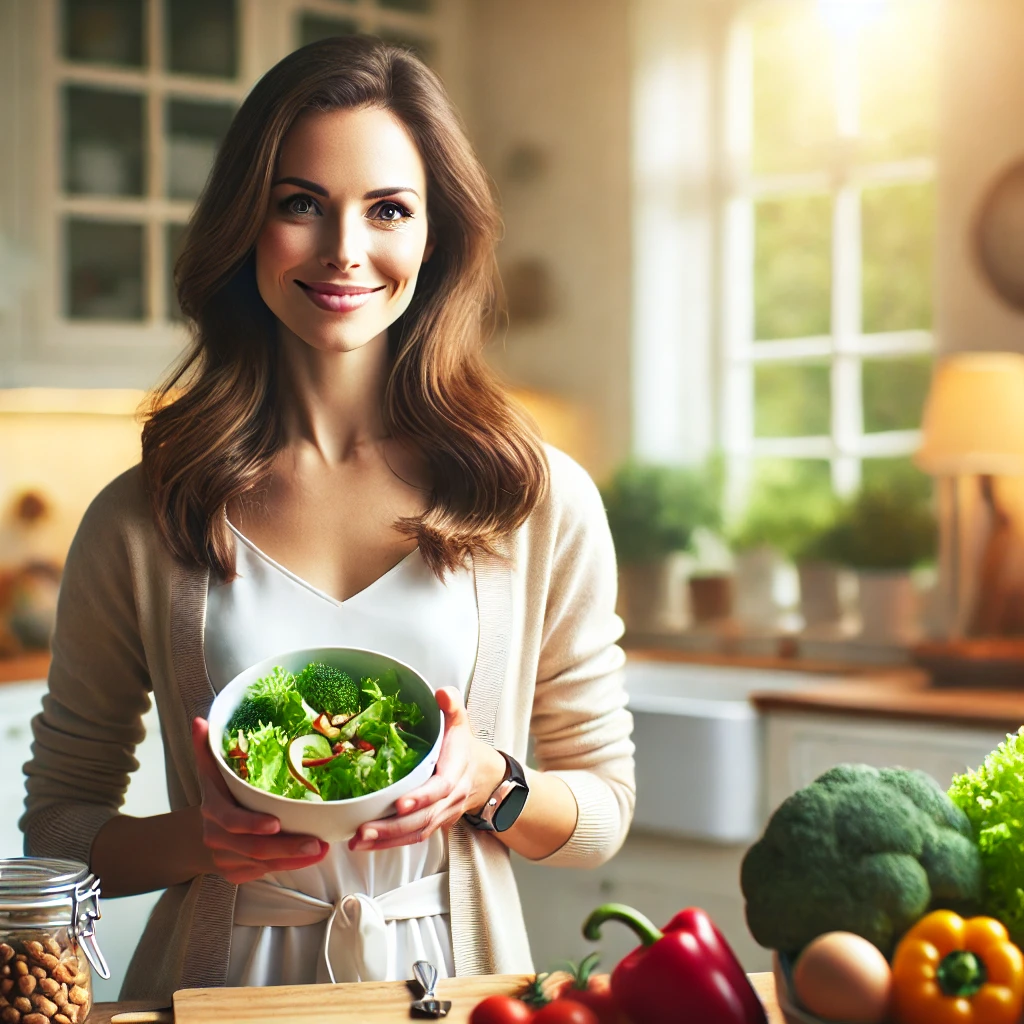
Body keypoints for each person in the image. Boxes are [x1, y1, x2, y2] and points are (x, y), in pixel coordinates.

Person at [20, 36, 635, 1003]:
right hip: (221, 995)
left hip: (459, 991)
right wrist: (200, 842)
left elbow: (601, 814)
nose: (345, 249)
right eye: (299, 204)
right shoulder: (146, 515)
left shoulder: (535, 499)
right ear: (245, 226)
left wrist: (490, 783)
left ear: (436, 237)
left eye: (388, 209)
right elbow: (57, 830)